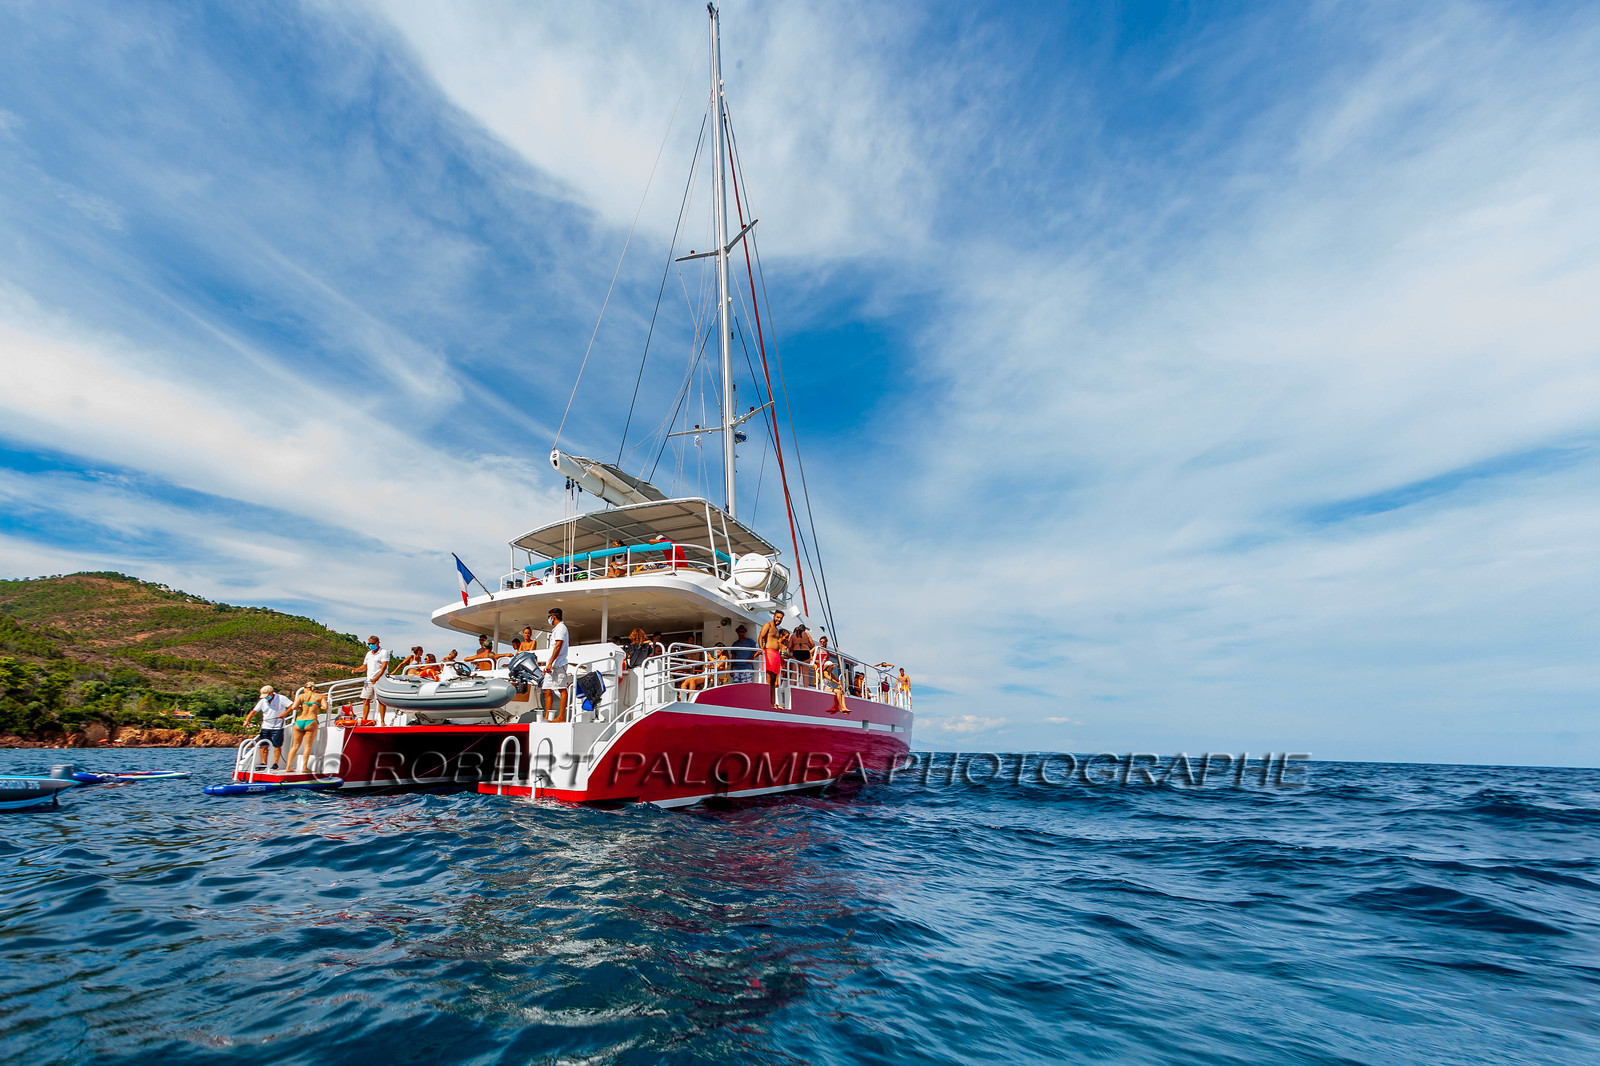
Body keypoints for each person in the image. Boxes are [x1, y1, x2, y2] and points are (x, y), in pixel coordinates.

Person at [242, 684, 294, 770]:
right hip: (265, 726)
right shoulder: (262, 701)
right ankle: (263, 763)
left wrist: (285, 714)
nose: (265, 698)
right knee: (263, 745)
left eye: (267, 696)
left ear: (271, 693)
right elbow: (254, 711)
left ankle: (275, 763)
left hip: (278, 726)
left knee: (277, 745)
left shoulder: (281, 698)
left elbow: (292, 705)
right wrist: (247, 720)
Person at [284, 682, 328, 774]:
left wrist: (301, 706)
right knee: (307, 746)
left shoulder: (301, 696)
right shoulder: (320, 696)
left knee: (295, 746)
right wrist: (317, 706)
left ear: (306, 688)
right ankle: (304, 767)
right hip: (311, 721)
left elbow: (294, 707)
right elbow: (325, 707)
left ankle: (288, 767)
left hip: (299, 721)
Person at [349, 635, 388, 726]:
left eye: (372, 644)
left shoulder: (383, 652)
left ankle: (382, 721)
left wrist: (376, 678)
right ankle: (364, 720)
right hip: (369, 681)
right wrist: (356, 669)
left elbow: (384, 667)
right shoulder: (368, 654)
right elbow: (364, 667)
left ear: (378, 643)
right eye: (369, 644)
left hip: (380, 680)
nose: (370, 645)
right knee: (365, 700)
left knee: (381, 701)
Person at [543, 608, 570, 722]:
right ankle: (547, 716)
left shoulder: (561, 628)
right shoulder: (556, 629)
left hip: (558, 664)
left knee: (562, 689)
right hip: (552, 665)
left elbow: (558, 645)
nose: (549, 619)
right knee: (547, 689)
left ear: (553, 617)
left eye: (549, 617)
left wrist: (550, 663)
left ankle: (561, 717)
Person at [758, 609, 785, 709]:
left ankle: (773, 702)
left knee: (774, 681)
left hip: (776, 654)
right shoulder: (767, 625)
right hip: (768, 653)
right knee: (769, 679)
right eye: (777, 617)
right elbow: (761, 637)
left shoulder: (777, 629)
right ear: (774, 616)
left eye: (781, 618)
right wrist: (762, 650)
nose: (779, 619)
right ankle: (768, 702)